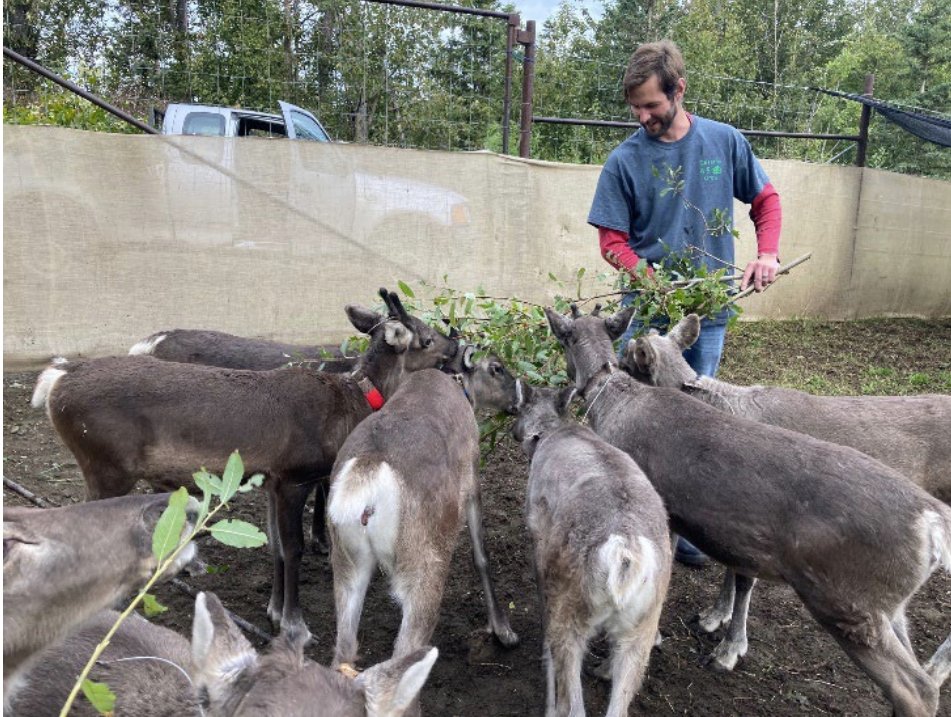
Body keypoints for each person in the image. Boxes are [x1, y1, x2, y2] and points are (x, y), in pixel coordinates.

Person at [588, 40, 782, 566]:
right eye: (635, 108)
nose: (642, 117)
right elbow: (612, 241)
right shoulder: (624, 161)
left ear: (679, 90)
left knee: (697, 415)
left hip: (706, 312)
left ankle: (692, 531)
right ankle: (631, 520)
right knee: (630, 413)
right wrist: (645, 277)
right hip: (647, 314)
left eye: (651, 105)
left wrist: (767, 253)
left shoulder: (724, 142)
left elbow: (765, 201)